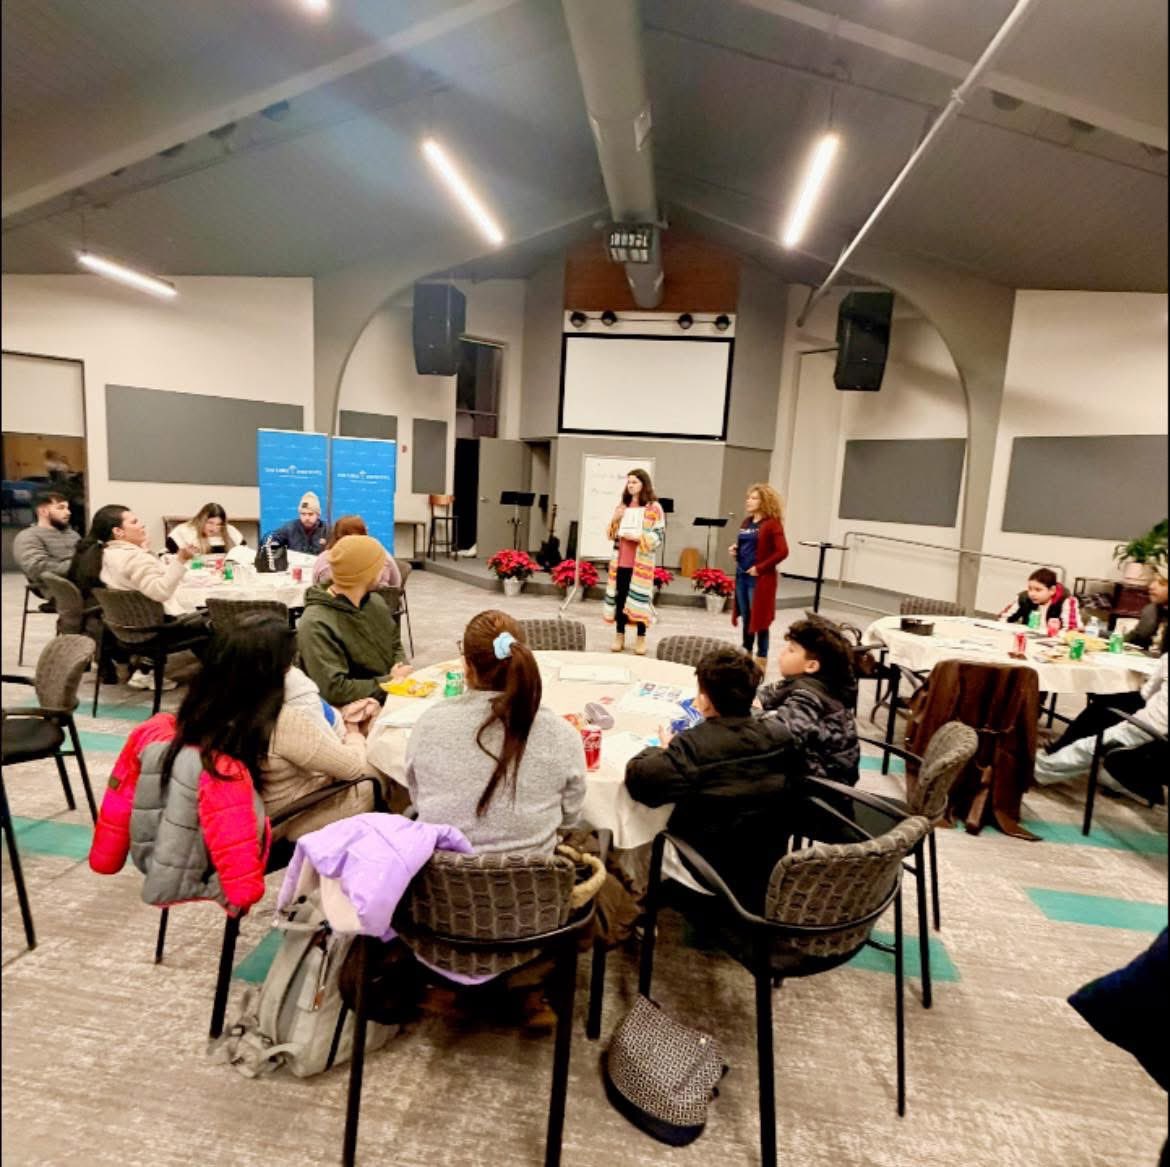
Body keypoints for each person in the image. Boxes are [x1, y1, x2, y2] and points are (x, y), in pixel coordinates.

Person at [625, 647, 796, 904]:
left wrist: (662, 749)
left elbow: (641, 783)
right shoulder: (780, 734)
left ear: (704, 701)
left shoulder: (694, 746)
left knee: (633, 837)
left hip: (707, 864)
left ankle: (631, 907)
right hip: (768, 860)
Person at [406, 610, 585, 854]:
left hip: (441, 873)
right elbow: (570, 818)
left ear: (467, 665)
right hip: (533, 875)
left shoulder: (429, 724)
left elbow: (418, 799)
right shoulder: (562, 734)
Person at [203, 611, 386, 840]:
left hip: (252, 810)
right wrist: (354, 733)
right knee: (381, 762)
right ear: (279, 668)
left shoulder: (210, 704)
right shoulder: (280, 720)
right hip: (292, 816)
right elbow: (352, 768)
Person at [70, 503, 210, 690]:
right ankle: (221, 676)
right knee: (211, 620)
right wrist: (181, 559)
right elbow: (160, 591)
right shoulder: (134, 558)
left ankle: (146, 670)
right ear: (118, 532)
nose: (142, 525)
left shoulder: (103, 554)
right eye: (134, 522)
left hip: (124, 628)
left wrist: (144, 552)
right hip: (154, 630)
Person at [297, 534, 411, 707]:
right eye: (380, 566)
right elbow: (335, 689)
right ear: (366, 573)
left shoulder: (375, 602)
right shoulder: (316, 623)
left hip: (390, 697)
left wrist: (401, 668)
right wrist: (389, 682)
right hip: (352, 712)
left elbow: (394, 643)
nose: (383, 570)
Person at [1034, 654, 1166, 802]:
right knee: (1108, 709)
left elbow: (1146, 693)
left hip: (1149, 729)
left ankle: (1036, 771)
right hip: (1160, 740)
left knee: (1087, 747)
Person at [756, 616, 861, 785]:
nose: (782, 653)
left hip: (819, 791)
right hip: (811, 775)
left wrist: (755, 714)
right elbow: (764, 695)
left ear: (811, 666)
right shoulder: (807, 683)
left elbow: (777, 737)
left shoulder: (809, 696)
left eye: (791, 650)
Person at [603, 469, 666, 655]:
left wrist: (639, 537)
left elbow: (659, 534)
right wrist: (615, 518)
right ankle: (619, 635)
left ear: (644, 484)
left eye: (635, 482)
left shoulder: (654, 507)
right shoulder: (623, 506)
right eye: (629, 482)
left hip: (641, 563)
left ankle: (641, 638)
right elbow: (611, 534)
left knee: (640, 600)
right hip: (621, 560)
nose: (631, 485)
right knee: (621, 599)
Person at [729, 483, 789, 673]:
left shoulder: (772, 524)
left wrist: (760, 568)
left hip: (759, 579)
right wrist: (736, 551)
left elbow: (782, 551)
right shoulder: (747, 522)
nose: (748, 501)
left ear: (764, 502)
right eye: (748, 497)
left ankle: (761, 658)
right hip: (742, 575)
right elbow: (747, 546)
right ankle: (746, 655)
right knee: (747, 618)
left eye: (754, 498)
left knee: (761, 619)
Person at [13, 490, 79, 591]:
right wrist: (79, 567)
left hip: (82, 581)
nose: (68, 512)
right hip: (56, 587)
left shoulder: (73, 534)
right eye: (61, 508)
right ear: (44, 511)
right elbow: (36, 568)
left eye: (67, 508)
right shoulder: (28, 536)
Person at [312, 514, 401, 589]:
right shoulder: (380, 554)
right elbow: (396, 584)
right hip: (377, 600)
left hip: (330, 602)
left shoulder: (324, 558)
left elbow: (315, 584)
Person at [998, 567, 1082, 631]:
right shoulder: (1023, 598)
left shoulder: (1067, 600)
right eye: (1030, 589)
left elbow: (1072, 629)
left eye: (1038, 590)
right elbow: (1003, 619)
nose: (1032, 594)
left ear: (1052, 590)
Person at [164, 503, 245, 557]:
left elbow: (245, 553)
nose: (214, 529)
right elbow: (170, 557)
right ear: (201, 520)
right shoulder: (185, 531)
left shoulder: (230, 531)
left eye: (219, 524)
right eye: (210, 523)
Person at [262, 492, 329, 554]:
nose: (307, 518)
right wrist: (273, 545)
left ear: (318, 515)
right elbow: (273, 540)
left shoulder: (327, 531)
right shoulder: (289, 528)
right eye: (303, 514)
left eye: (310, 514)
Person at [1125, 569, 1168, 655]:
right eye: (1152, 582)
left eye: (1161, 583)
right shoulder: (1152, 610)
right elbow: (1135, 638)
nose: (1151, 586)